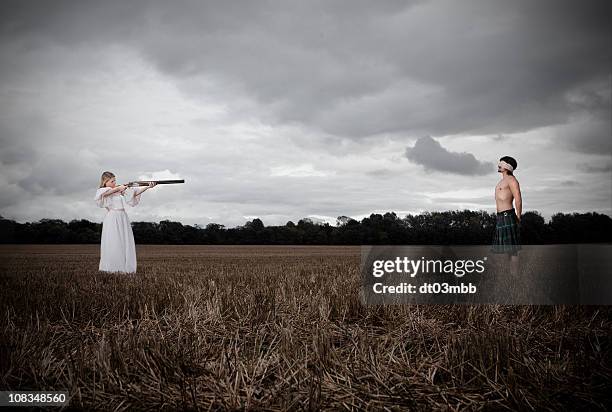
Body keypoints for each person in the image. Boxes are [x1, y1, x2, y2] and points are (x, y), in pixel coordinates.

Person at [93, 171, 156, 274]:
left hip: (123, 217)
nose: (114, 183)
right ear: (105, 182)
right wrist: (118, 188)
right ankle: (112, 268)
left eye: (115, 181)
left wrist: (148, 187)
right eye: (112, 181)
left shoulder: (117, 190)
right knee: (114, 242)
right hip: (112, 218)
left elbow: (134, 193)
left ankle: (124, 268)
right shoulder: (103, 191)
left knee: (125, 241)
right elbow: (104, 194)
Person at [491, 156, 522, 275]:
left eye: (502, 163)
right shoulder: (500, 182)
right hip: (500, 218)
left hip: (508, 215)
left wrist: (518, 217)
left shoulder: (512, 180)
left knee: (512, 250)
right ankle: (506, 275)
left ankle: (514, 276)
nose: (499, 164)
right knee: (502, 250)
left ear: (507, 167)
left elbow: (518, 199)